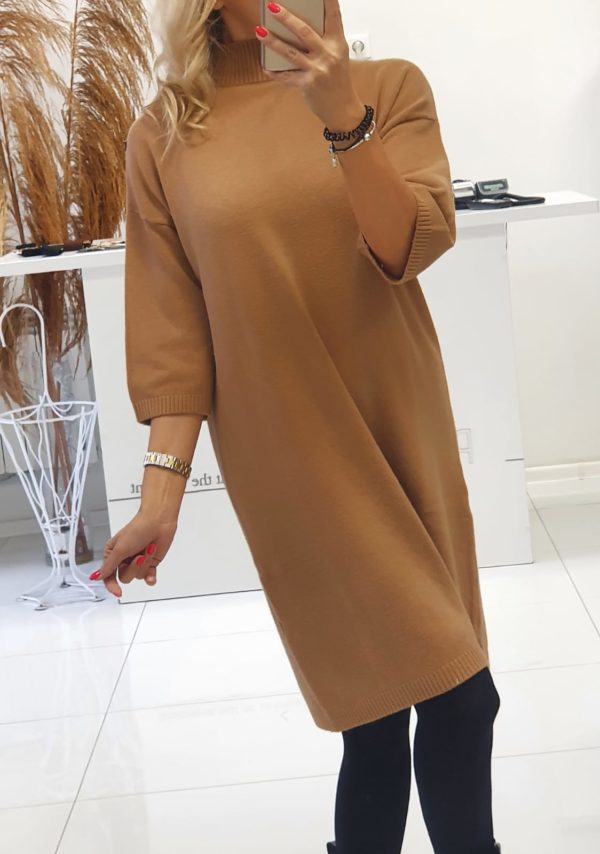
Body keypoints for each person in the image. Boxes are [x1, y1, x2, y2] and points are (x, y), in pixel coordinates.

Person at [93, 1, 503, 852]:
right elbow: (175, 338)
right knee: (450, 698)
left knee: (399, 718)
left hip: (401, 423)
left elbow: (411, 244)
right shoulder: (164, 136)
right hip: (290, 458)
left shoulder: (389, 87)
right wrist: (161, 499)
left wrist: (342, 116)